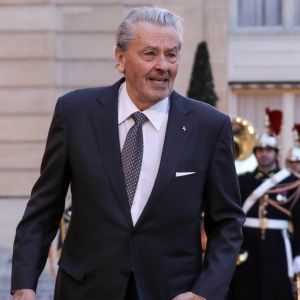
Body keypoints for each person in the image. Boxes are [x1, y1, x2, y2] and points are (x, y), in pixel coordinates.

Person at [11, 7, 244, 300]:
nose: (163, 65)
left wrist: (203, 293)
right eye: (150, 54)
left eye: (171, 55)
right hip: (85, 290)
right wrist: (24, 286)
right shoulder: (75, 113)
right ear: (120, 59)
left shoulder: (209, 126)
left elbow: (227, 224)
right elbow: (43, 209)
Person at [228, 108, 300, 300]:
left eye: (268, 150)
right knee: (245, 288)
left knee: (275, 289)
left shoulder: (291, 182)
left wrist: (298, 254)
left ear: (276, 153)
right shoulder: (243, 180)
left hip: (277, 244)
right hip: (247, 243)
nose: (264, 154)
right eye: (260, 150)